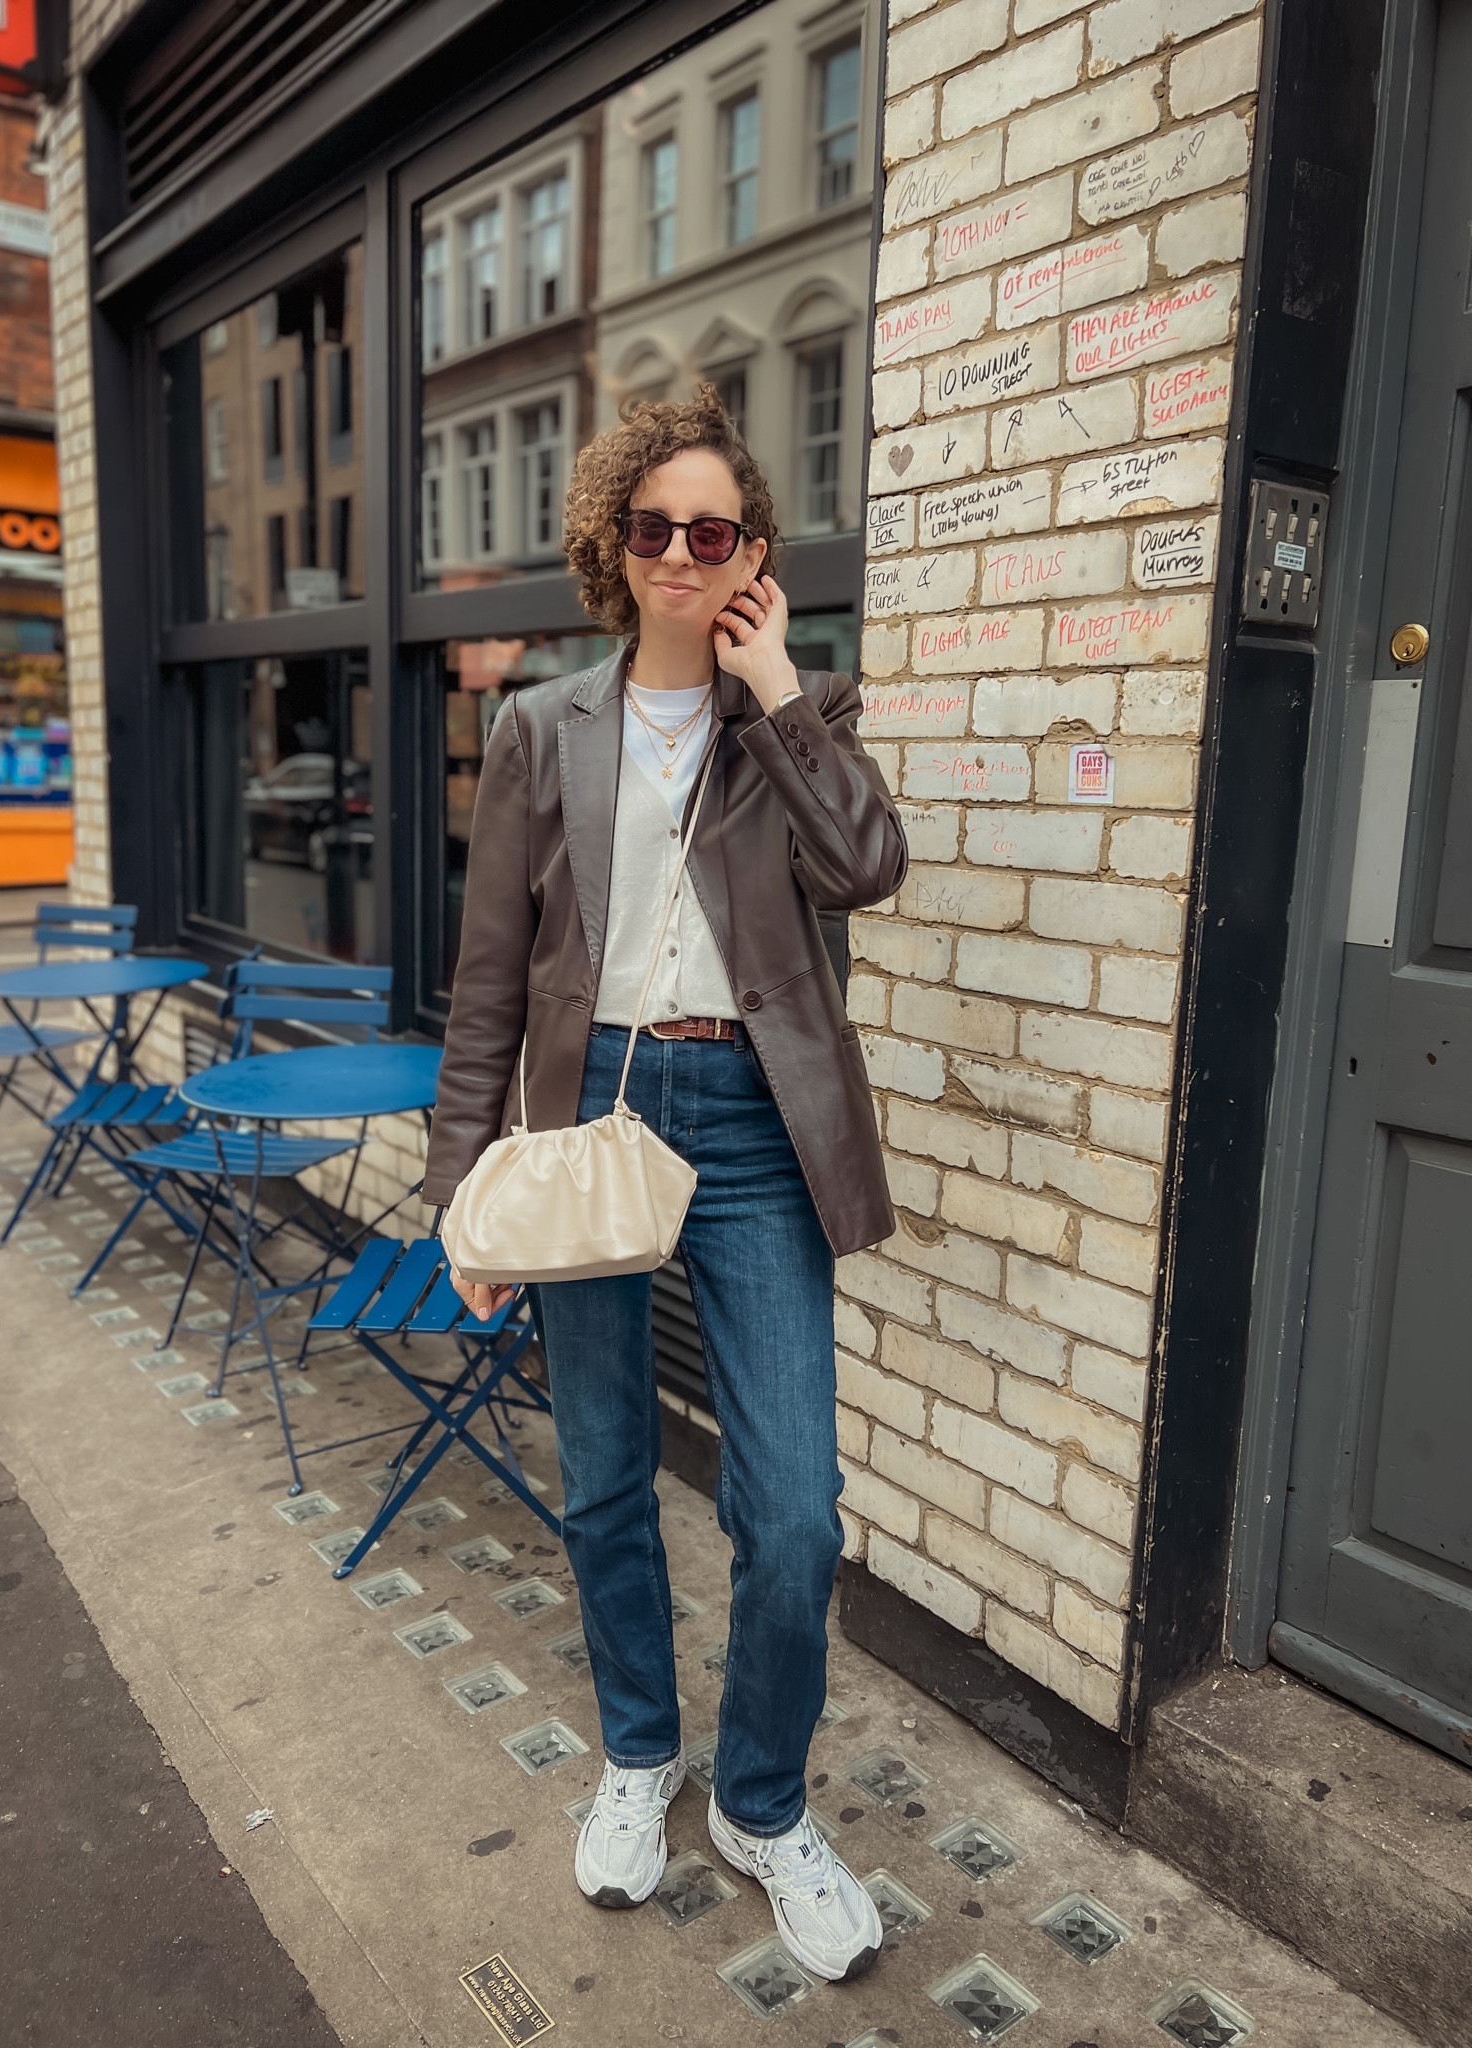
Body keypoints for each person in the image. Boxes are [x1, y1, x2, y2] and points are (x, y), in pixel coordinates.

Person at [422, 386, 907, 1985]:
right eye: (656, 528)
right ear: (615, 546)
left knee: (795, 1518)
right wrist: (457, 1195)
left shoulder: (792, 716)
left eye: (716, 532)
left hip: (756, 1124)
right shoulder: (540, 727)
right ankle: (642, 1756)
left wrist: (778, 695)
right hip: (587, 1124)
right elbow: (490, 982)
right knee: (607, 1477)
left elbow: (868, 870)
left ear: (754, 557)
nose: (684, 553)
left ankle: (761, 1804)